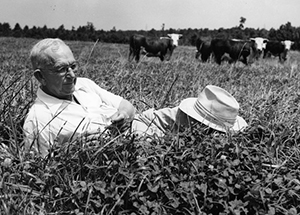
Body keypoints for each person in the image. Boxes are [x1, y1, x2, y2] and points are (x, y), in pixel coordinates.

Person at [23, 38, 247, 157]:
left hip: (140, 123)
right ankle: (215, 137)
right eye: (62, 69)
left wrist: (124, 116)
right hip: (124, 150)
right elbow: (43, 166)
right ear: (40, 77)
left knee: (178, 113)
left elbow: (128, 107)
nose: (72, 75)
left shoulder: (84, 85)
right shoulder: (39, 119)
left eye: (73, 66)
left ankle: (221, 124)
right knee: (185, 141)